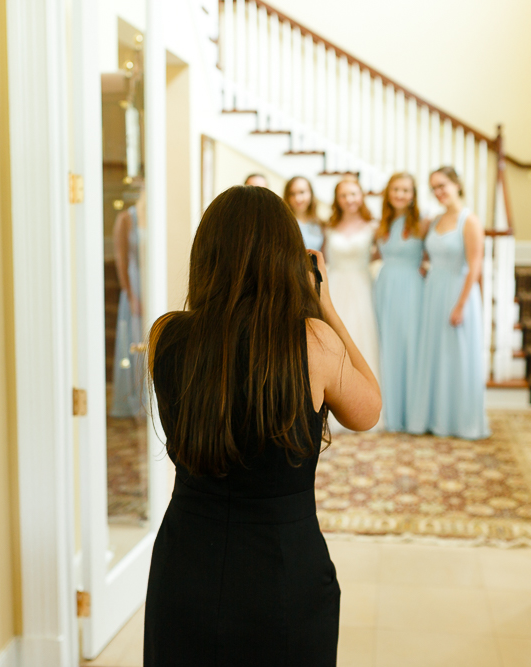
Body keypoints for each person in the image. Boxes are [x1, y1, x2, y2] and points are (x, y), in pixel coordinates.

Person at [143, 186, 381, 667]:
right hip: (283, 571)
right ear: (287, 259)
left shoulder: (165, 336)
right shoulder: (314, 341)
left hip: (185, 565)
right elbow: (368, 409)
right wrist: (325, 306)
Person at [407, 167, 490, 439]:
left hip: (458, 291)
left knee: (457, 356)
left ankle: (460, 421)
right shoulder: (434, 220)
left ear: (456, 185)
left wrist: (460, 305)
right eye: (433, 188)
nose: (438, 192)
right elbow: (420, 250)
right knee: (434, 355)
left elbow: (475, 265)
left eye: (442, 185)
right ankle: (433, 418)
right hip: (433, 292)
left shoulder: (470, 221)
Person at [324, 176, 380, 432]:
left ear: (361, 196)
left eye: (354, 194)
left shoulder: (373, 226)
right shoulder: (328, 226)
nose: (349, 200)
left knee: (362, 342)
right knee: (333, 344)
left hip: (361, 288)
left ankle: (363, 404)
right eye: (344, 195)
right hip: (335, 286)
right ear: (337, 199)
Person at [373, 172, 426, 431]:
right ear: (388, 193)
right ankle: (389, 413)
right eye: (395, 189)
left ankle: (411, 414)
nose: (400, 195)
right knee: (386, 347)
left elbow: (433, 255)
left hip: (412, 289)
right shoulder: (382, 223)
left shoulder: (423, 223)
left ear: (413, 195)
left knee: (410, 346)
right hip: (385, 287)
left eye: (405, 190)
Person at [110, 193, 144, 418]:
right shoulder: (126, 218)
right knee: (134, 340)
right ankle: (134, 398)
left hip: (151, 283)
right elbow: (121, 258)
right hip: (135, 285)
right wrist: (131, 294)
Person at [283, 175, 325, 252]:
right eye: (292, 194)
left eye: (302, 192)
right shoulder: (283, 224)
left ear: (311, 194)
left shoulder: (320, 224)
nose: (298, 198)